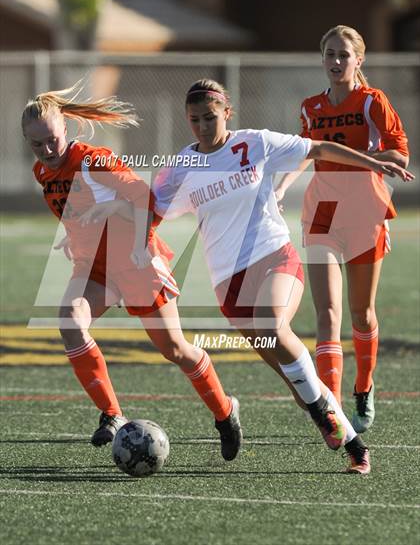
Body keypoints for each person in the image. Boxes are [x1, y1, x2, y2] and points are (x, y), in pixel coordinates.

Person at [149, 78, 413, 475]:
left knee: (273, 325)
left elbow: (318, 148)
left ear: (227, 113)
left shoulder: (254, 143)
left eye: (211, 117)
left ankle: (329, 416)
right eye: (195, 120)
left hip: (274, 256)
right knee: (299, 389)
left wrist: (373, 162)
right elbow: (148, 210)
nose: (204, 126)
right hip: (228, 282)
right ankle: (353, 443)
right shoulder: (183, 166)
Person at [21, 82, 242, 461]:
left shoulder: (95, 161)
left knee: (175, 350)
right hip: (98, 269)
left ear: (67, 130)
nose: (47, 150)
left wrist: (139, 242)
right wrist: (74, 237)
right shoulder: (42, 171)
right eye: (37, 144)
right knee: (70, 321)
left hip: (137, 263)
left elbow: (142, 197)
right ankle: (111, 414)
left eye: (52, 140)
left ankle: (225, 414)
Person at [275, 25, 410, 433]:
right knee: (326, 314)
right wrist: (281, 185)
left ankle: (364, 388)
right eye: (330, 55)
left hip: (365, 210)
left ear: (358, 60)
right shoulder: (310, 108)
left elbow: (400, 154)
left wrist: (357, 158)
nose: (336, 62)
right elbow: (306, 151)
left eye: (343, 55)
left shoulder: (372, 102)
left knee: (361, 313)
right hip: (322, 211)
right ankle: (331, 409)